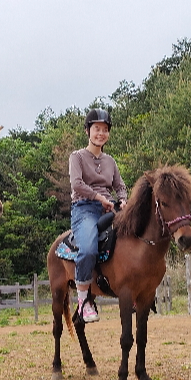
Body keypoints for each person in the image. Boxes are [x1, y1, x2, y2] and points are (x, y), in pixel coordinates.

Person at [68, 108, 128, 323]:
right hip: (84, 209)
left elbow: (120, 186)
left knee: (133, 239)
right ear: (87, 131)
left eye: (105, 130)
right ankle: (83, 300)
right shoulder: (77, 157)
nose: (101, 133)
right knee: (88, 248)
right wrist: (98, 197)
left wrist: (122, 199)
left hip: (110, 209)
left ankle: (133, 289)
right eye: (96, 129)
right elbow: (76, 184)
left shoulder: (110, 161)